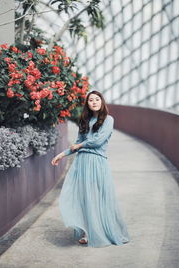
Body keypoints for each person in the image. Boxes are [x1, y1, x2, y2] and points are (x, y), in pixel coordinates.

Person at [51, 90, 131, 247]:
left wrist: (80, 145)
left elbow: (98, 141)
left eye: (96, 99)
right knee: (82, 197)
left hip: (97, 162)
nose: (94, 102)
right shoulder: (85, 120)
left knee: (95, 196)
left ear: (102, 101)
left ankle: (98, 230)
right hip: (82, 162)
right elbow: (76, 143)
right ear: (87, 104)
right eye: (90, 100)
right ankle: (87, 231)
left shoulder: (108, 120)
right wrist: (62, 154)